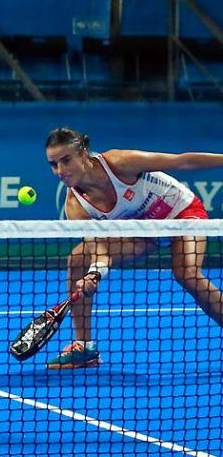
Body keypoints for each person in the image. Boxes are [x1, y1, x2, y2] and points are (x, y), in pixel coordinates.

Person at [45, 127, 223, 369]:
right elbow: (98, 249)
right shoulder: (75, 205)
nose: (60, 171)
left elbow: (182, 161)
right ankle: (84, 347)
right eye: (54, 164)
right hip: (143, 234)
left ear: (83, 153)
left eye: (66, 160)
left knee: (187, 273)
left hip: (181, 214)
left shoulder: (119, 162)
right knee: (77, 260)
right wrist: (94, 273)